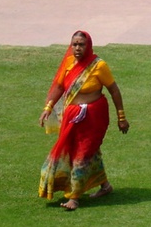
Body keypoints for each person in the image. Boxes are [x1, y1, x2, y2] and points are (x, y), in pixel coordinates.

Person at [39, 30, 129, 211]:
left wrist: (121, 117)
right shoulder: (68, 63)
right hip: (71, 117)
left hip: (93, 117)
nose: (77, 48)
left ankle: (74, 197)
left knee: (82, 154)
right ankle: (105, 185)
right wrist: (48, 108)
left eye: (81, 44)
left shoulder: (99, 66)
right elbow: (58, 86)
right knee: (85, 153)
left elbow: (114, 90)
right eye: (75, 44)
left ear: (88, 46)